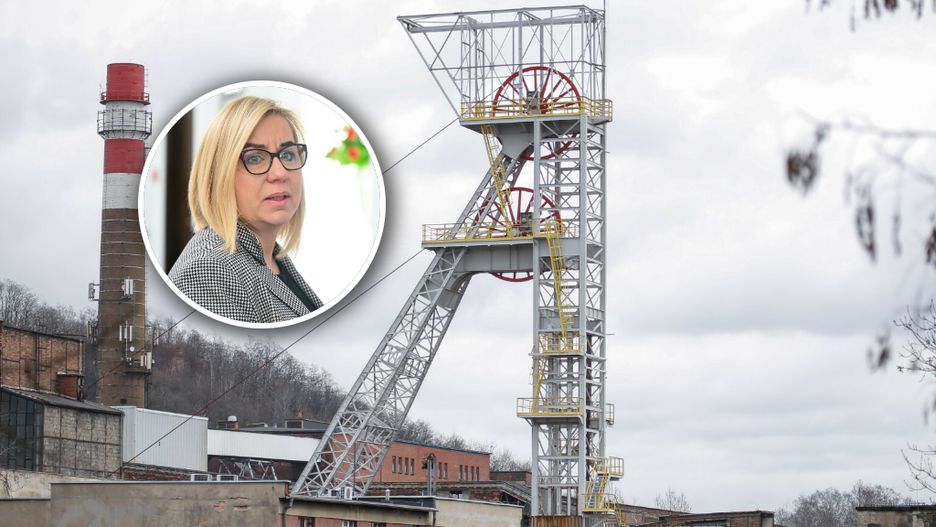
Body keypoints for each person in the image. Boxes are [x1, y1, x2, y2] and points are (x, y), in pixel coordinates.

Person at [169, 96, 323, 324]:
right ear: (218, 175)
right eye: (255, 158)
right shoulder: (208, 270)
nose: (280, 173)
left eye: (288, 154)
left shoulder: (271, 258)